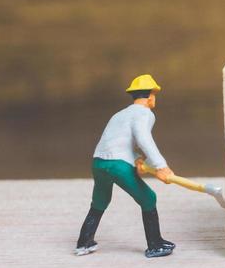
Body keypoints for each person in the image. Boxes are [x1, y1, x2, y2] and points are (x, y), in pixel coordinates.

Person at [75, 74, 179, 258]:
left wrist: (138, 159)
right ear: (150, 96)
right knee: (148, 198)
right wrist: (161, 166)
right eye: (154, 94)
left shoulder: (120, 114)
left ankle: (84, 243)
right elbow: (143, 139)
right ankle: (155, 245)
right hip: (118, 165)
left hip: (98, 162)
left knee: (100, 201)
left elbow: (116, 141)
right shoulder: (145, 113)